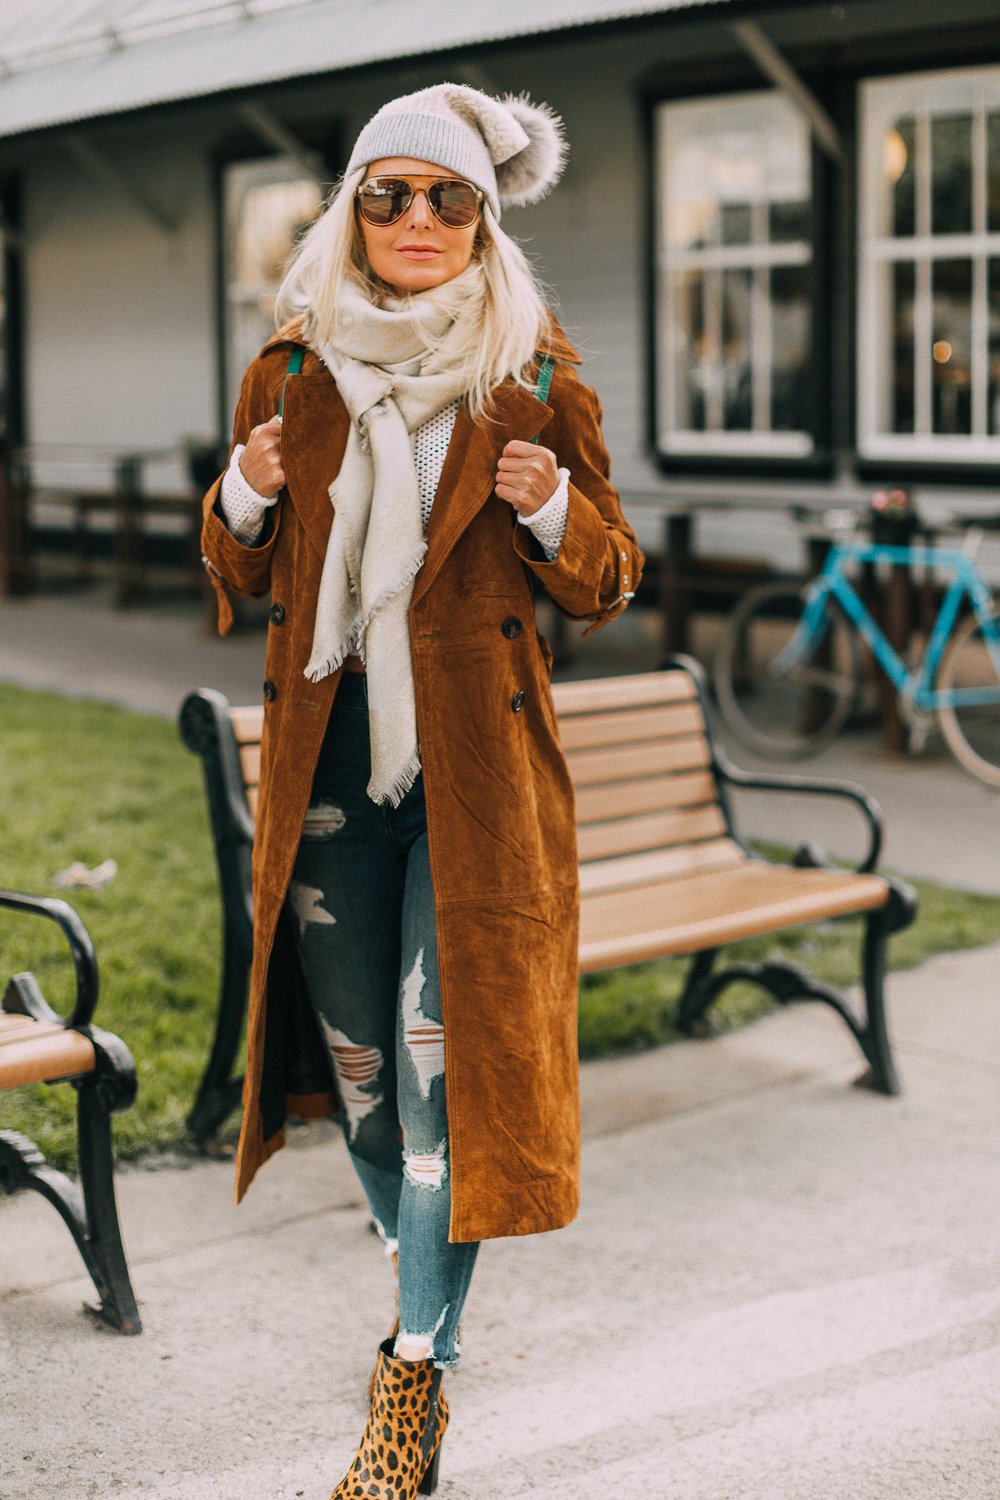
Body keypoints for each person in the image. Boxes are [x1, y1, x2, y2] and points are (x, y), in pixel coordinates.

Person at [201, 83, 644, 1500]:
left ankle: (411, 1384)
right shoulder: (291, 372)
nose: (415, 222)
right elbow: (245, 575)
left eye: (447, 198)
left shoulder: (537, 380)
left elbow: (610, 580)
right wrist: (249, 495)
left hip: (474, 785)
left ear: (484, 220)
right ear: (350, 209)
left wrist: (548, 507)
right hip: (329, 786)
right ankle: (429, 1302)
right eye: (387, 195)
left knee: (443, 1081)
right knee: (373, 1090)